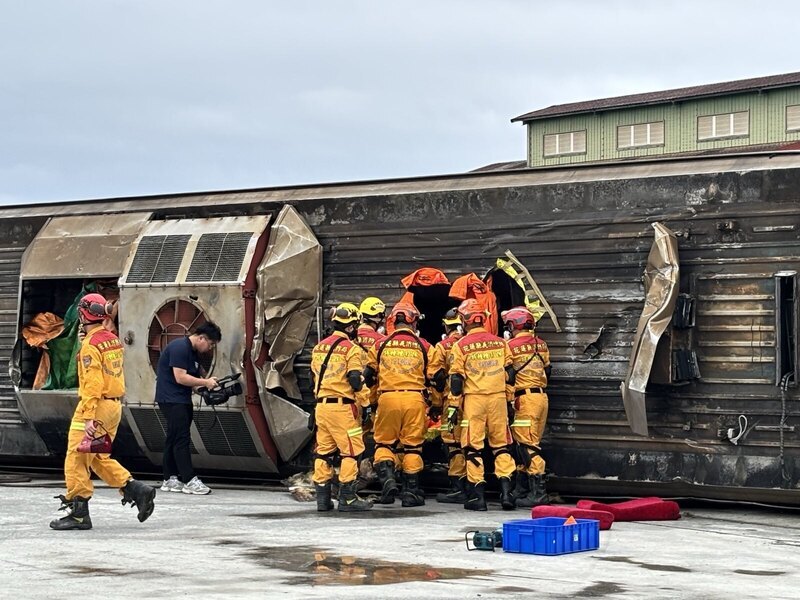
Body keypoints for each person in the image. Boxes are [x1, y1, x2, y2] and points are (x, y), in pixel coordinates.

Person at [50, 293, 156, 530]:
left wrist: (88, 416)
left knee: (76, 457)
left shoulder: (91, 346)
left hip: (95, 407)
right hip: (113, 407)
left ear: (82, 315)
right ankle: (135, 489)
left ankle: (78, 513)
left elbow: (93, 383)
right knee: (97, 457)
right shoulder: (111, 339)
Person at [364, 303, 437, 507]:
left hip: (387, 398)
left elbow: (368, 377)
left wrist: (371, 402)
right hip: (415, 399)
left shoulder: (379, 345)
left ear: (393, 321)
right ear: (414, 322)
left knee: (384, 444)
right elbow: (436, 378)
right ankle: (410, 493)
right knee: (413, 447)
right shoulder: (425, 346)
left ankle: (387, 479)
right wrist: (437, 403)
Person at [447, 298, 516, 511]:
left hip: (474, 400)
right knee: (501, 445)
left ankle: (478, 497)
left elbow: (456, 382)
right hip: (498, 399)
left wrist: (453, 406)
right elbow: (511, 374)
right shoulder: (501, 343)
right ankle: (507, 494)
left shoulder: (460, 346)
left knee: (472, 447)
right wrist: (510, 401)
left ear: (464, 321)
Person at [310, 302, 372, 512]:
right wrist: (366, 403)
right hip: (343, 409)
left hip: (322, 407)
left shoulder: (319, 347)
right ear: (351, 326)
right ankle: (347, 499)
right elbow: (355, 378)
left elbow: (314, 378)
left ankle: (323, 500)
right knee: (351, 452)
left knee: (323, 453)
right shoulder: (352, 349)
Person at [156, 321, 221, 495]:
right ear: (201, 338)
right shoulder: (180, 348)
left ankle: (169, 478)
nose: (209, 348)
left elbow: (193, 381)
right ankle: (189, 479)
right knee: (181, 439)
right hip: (172, 399)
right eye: (210, 344)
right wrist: (205, 382)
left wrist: (207, 388)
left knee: (173, 437)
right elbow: (181, 377)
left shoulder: (193, 353)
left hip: (181, 399)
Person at [502, 307, 552, 507]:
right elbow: (548, 370)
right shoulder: (541, 344)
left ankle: (538, 494)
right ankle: (522, 489)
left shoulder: (509, 346)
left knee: (527, 445)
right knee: (528, 443)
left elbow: (507, 375)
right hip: (541, 398)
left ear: (513, 325)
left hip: (524, 400)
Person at [430, 308, 467, 503]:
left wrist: (436, 404)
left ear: (446, 326)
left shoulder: (442, 347)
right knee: (471, 442)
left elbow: (437, 378)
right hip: (473, 401)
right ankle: (473, 485)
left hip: (450, 402)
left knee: (452, 442)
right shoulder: (470, 344)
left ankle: (457, 487)